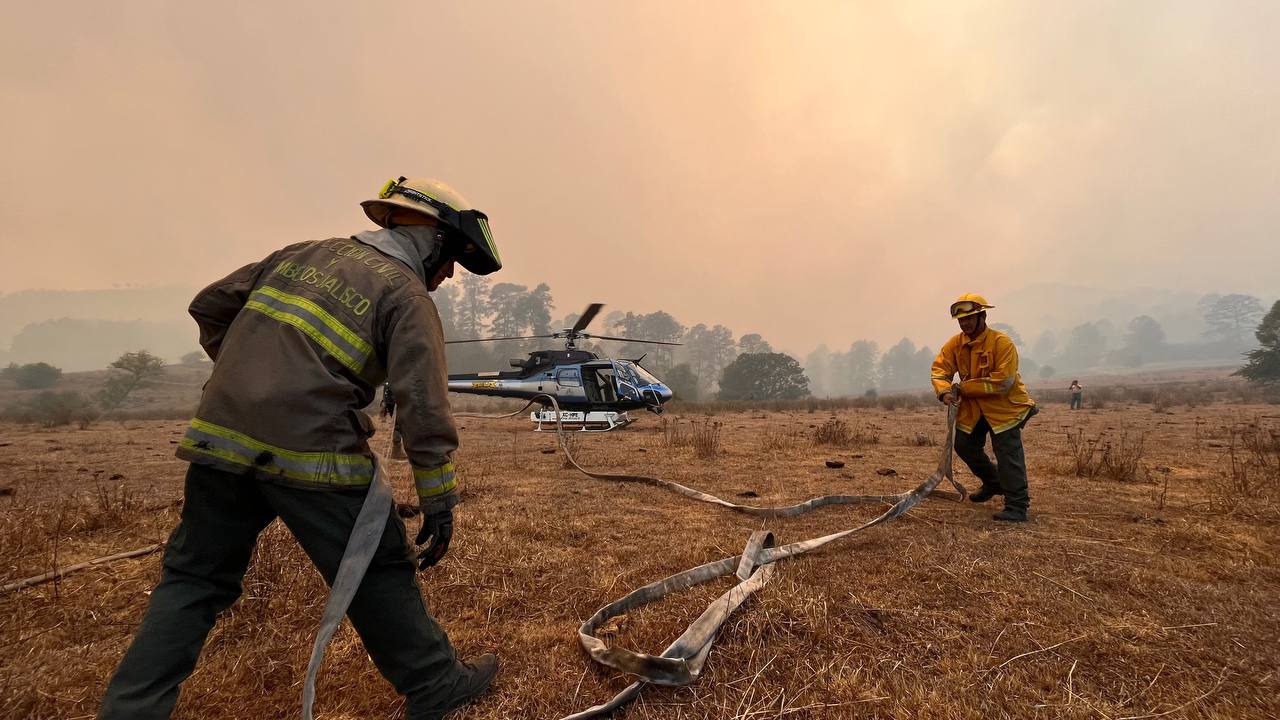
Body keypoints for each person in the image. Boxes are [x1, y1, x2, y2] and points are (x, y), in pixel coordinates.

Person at [99, 177, 504, 720]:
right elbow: (423, 406)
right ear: (432, 238)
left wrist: (254, 377)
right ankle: (433, 682)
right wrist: (439, 498)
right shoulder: (404, 294)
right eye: (452, 258)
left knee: (193, 579)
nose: (449, 273)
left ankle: (130, 710)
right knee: (375, 564)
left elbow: (209, 306)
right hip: (315, 452)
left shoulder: (298, 255)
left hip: (221, 436)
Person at [931, 294, 1037, 522]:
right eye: (961, 320)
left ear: (983, 316)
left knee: (1008, 455)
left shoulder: (1002, 343)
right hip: (974, 411)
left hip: (1004, 410)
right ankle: (993, 482)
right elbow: (940, 370)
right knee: (964, 445)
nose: (965, 323)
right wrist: (944, 391)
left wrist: (964, 388)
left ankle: (1017, 507)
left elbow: (1003, 382)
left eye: (969, 318)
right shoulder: (955, 345)